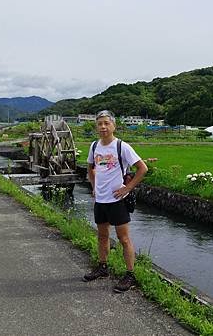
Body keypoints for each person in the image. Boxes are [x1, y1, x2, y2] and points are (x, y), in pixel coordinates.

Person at [83, 110, 148, 293]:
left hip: (118, 200)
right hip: (101, 200)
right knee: (102, 236)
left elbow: (142, 169)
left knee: (123, 239)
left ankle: (130, 274)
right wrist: (94, 186)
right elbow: (90, 168)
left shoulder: (122, 146)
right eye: (99, 124)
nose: (103, 127)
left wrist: (127, 188)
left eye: (106, 123)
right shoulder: (94, 146)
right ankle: (102, 267)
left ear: (113, 125)